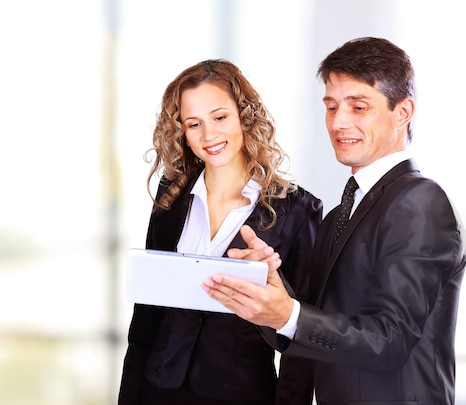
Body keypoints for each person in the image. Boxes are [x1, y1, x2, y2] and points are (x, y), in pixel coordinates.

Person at [203, 37, 466, 404]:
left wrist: (289, 313)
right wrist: (272, 290)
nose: (339, 122)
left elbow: (388, 340)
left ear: (403, 111)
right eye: (331, 107)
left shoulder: (419, 201)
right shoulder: (340, 214)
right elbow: (313, 332)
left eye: (359, 107)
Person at [117, 59, 322, 405]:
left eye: (220, 117)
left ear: (244, 115)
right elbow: (146, 321)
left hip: (242, 395)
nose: (209, 135)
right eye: (193, 123)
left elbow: (299, 346)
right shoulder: (172, 196)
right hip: (158, 391)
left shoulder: (299, 211)